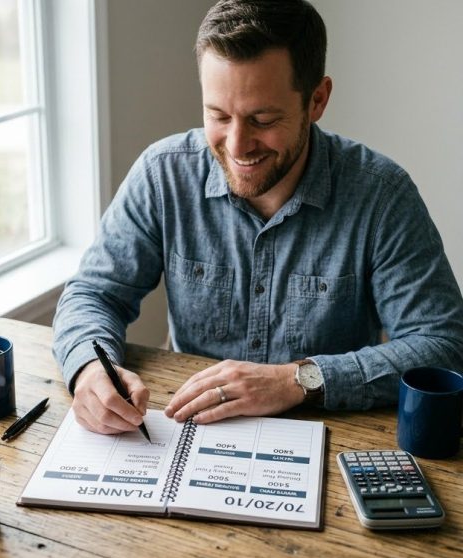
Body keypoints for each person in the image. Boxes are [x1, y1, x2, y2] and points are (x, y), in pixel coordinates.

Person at [52, 0, 463, 434]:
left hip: (330, 436)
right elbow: (93, 295)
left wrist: (297, 379)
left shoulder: (382, 195)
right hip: (187, 429)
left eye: (262, 119)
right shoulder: (162, 174)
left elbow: (443, 346)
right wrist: (89, 370)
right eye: (218, 115)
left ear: (317, 100)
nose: (236, 144)